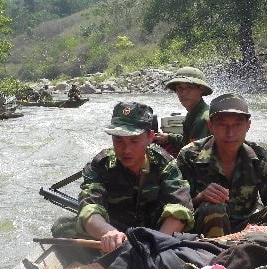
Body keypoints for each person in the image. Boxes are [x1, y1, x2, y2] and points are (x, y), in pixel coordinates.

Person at [177, 93, 267, 239]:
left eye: (237, 124)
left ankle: (252, 252)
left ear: (248, 126)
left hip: (246, 228)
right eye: (222, 125)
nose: (230, 133)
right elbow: (175, 205)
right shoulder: (189, 156)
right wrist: (200, 197)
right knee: (213, 208)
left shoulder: (261, 158)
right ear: (210, 126)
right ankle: (218, 259)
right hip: (203, 230)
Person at [51, 101, 194, 253]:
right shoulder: (101, 165)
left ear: (150, 137)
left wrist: (155, 245)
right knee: (63, 225)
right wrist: (108, 233)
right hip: (114, 238)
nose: (126, 149)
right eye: (118, 140)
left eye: (134, 141)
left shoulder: (165, 163)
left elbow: (179, 208)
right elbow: (90, 208)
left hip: (154, 234)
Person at [153, 66, 213, 154]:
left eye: (189, 87)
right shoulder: (193, 113)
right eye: (179, 88)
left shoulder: (202, 120)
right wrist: (169, 137)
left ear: (201, 89)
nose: (183, 93)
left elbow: (194, 156)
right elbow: (188, 142)